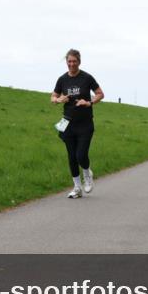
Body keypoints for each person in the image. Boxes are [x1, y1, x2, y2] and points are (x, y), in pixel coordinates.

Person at [51, 49, 103, 198]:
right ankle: (77, 188)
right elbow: (53, 97)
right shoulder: (62, 79)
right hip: (68, 123)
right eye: (69, 61)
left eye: (74, 61)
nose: (72, 64)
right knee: (72, 157)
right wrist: (58, 100)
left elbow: (100, 94)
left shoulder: (87, 78)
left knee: (81, 155)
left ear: (79, 62)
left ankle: (87, 175)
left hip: (85, 124)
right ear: (66, 62)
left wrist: (89, 102)